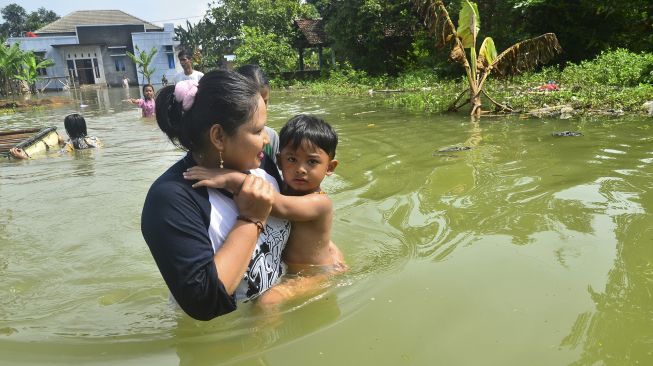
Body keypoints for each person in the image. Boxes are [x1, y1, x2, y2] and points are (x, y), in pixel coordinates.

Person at [141, 71, 290, 321]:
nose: (266, 140)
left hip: (274, 316)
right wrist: (251, 219)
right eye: (257, 131)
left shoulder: (259, 165)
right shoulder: (170, 199)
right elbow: (204, 303)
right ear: (219, 137)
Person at [183, 114, 346, 307]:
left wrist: (229, 178)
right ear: (279, 161)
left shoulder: (321, 202)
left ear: (330, 167)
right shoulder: (282, 187)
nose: (300, 169)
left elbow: (278, 205)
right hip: (292, 270)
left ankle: (267, 336)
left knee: (268, 301)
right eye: (292, 159)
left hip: (314, 274)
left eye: (312, 162)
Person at [236, 64, 279, 164]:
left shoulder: (271, 137)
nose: (261, 108)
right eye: (254, 103)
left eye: (265, 102)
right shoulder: (230, 139)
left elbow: (274, 177)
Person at [9, 113, 101, 159]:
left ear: (68, 130)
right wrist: (63, 142)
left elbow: (53, 156)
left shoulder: (69, 145)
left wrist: (23, 157)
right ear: (84, 127)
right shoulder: (95, 139)